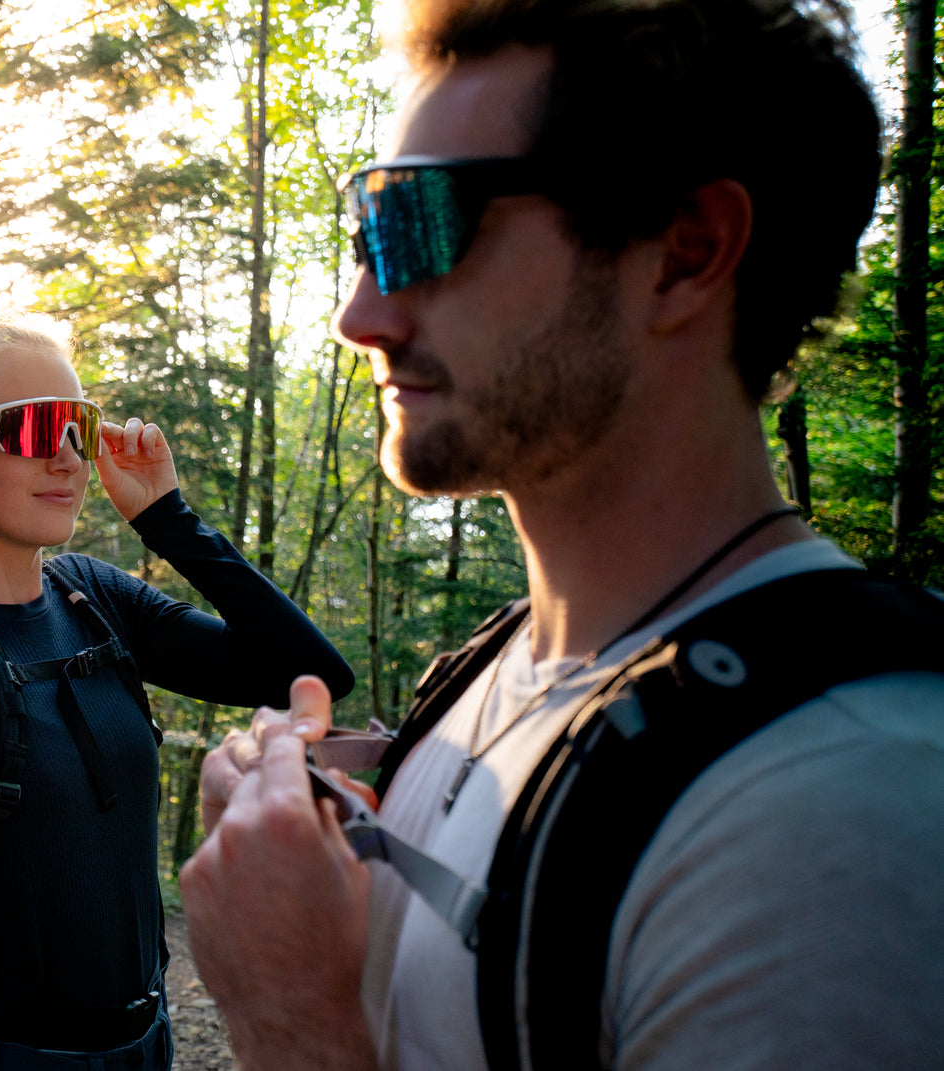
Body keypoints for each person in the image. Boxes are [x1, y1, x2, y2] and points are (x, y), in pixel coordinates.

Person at [178, 0, 944, 1068]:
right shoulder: (504, 667)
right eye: (369, 234)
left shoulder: (837, 827)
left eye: (422, 222)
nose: (362, 315)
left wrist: (294, 1023)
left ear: (684, 253)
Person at [0, 312, 354, 1070]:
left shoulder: (94, 596)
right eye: (31, 428)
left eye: (78, 426)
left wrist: (168, 519)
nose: (64, 455)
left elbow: (308, 676)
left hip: (146, 1047)